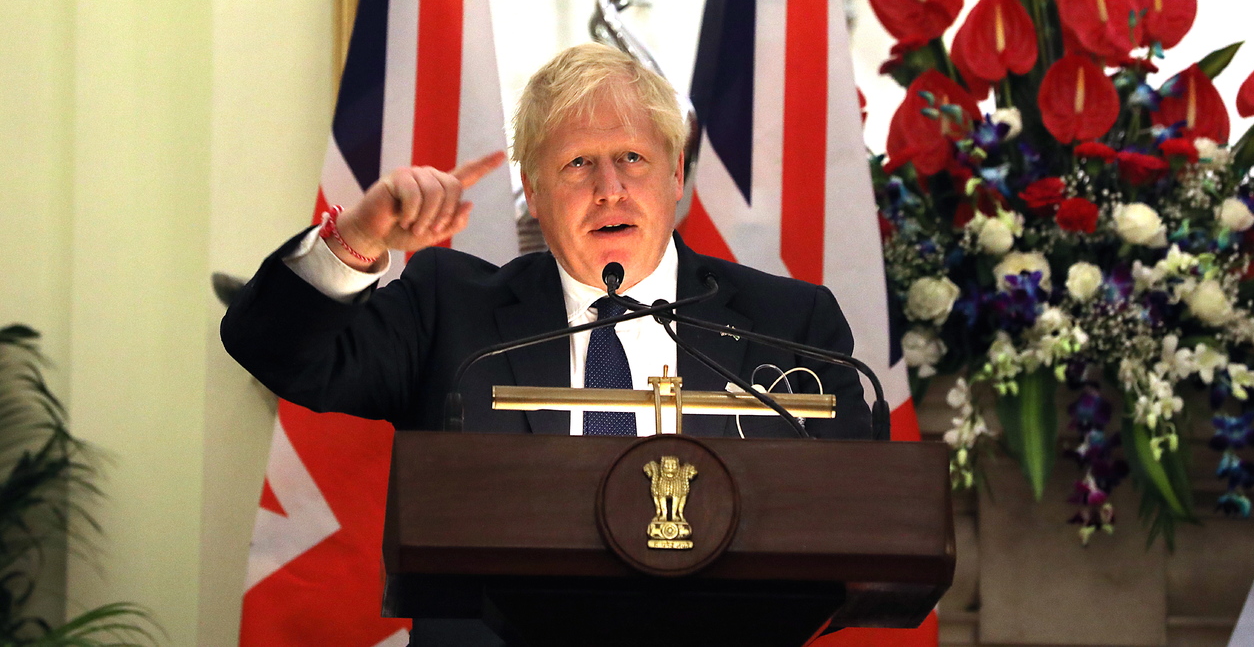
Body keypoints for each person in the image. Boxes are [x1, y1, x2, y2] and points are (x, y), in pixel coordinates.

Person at [220, 42, 870, 644]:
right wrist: (358, 238)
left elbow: (858, 527)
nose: (609, 189)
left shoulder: (789, 326)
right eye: (578, 163)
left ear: (676, 175)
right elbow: (275, 350)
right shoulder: (450, 311)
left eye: (632, 158)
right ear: (532, 191)